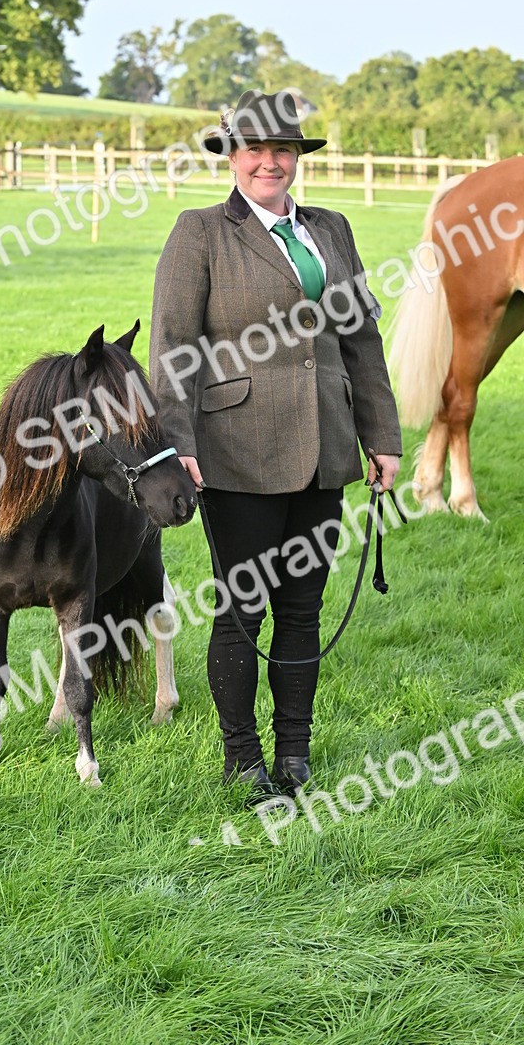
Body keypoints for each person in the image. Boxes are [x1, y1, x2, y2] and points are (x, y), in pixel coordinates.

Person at [149, 89, 402, 800]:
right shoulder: (200, 232)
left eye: (282, 150)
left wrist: (380, 436)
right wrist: (177, 441)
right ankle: (242, 758)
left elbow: (359, 337)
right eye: (255, 149)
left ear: (297, 158)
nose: (270, 162)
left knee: (303, 608)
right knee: (241, 611)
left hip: (326, 447)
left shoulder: (332, 228)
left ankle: (295, 753)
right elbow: (172, 348)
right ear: (232, 157)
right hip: (235, 450)